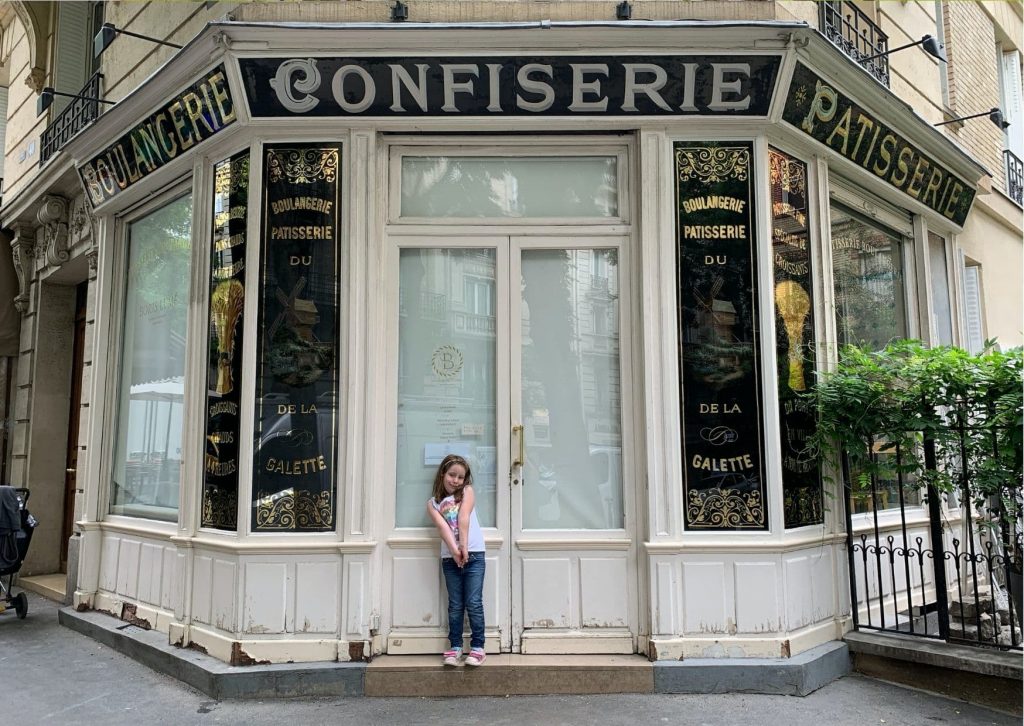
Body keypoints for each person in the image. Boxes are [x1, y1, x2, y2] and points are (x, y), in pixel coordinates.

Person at [426, 454, 486, 667]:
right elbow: (443, 528)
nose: (456, 481)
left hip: (474, 553)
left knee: (474, 602)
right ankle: (456, 647)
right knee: (455, 605)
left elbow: (464, 518)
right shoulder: (433, 504)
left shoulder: (467, 492)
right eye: (452, 475)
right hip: (450, 558)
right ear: (443, 473)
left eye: (461, 477)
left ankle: (478, 647)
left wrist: (464, 547)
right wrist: (454, 551)